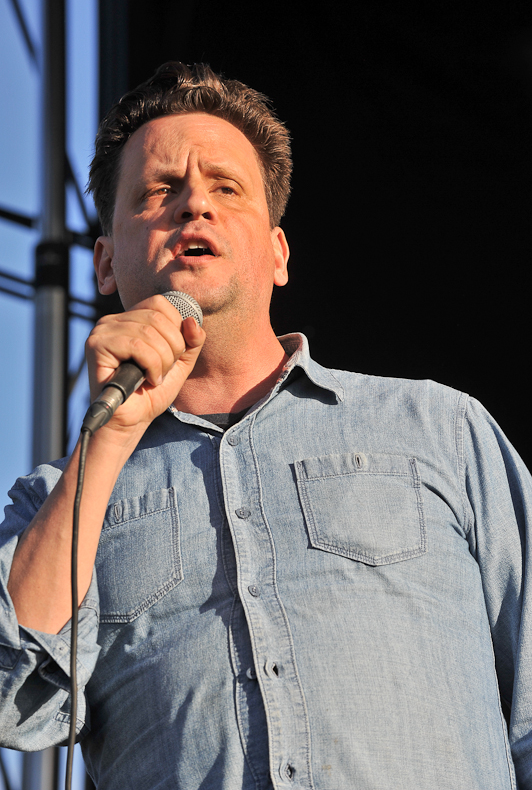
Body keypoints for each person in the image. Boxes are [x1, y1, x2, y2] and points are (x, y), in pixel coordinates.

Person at [0, 62, 531, 790]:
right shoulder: (59, 498)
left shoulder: (439, 430)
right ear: (103, 263)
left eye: (226, 188)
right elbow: (10, 706)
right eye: (159, 192)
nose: (194, 207)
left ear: (278, 254)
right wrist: (112, 440)